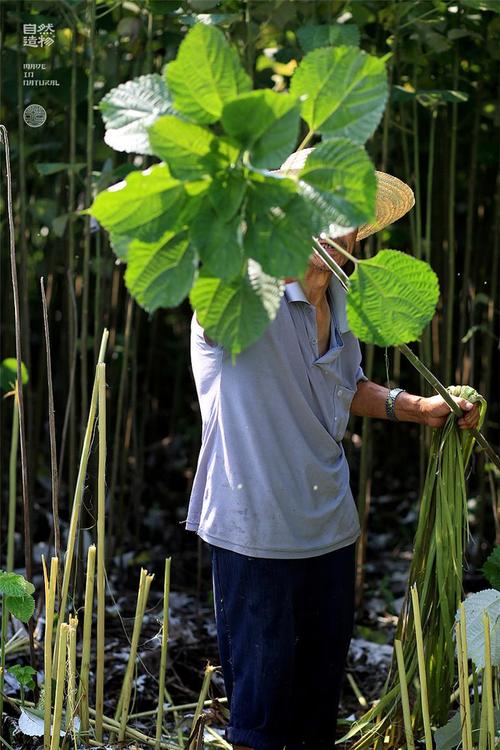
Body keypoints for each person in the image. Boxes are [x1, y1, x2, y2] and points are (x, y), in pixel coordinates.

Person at [184, 148, 480, 750]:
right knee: (260, 723)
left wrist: (419, 407)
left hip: (330, 533)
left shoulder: (344, 306)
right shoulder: (240, 300)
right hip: (256, 536)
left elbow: (346, 389)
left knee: (316, 715)